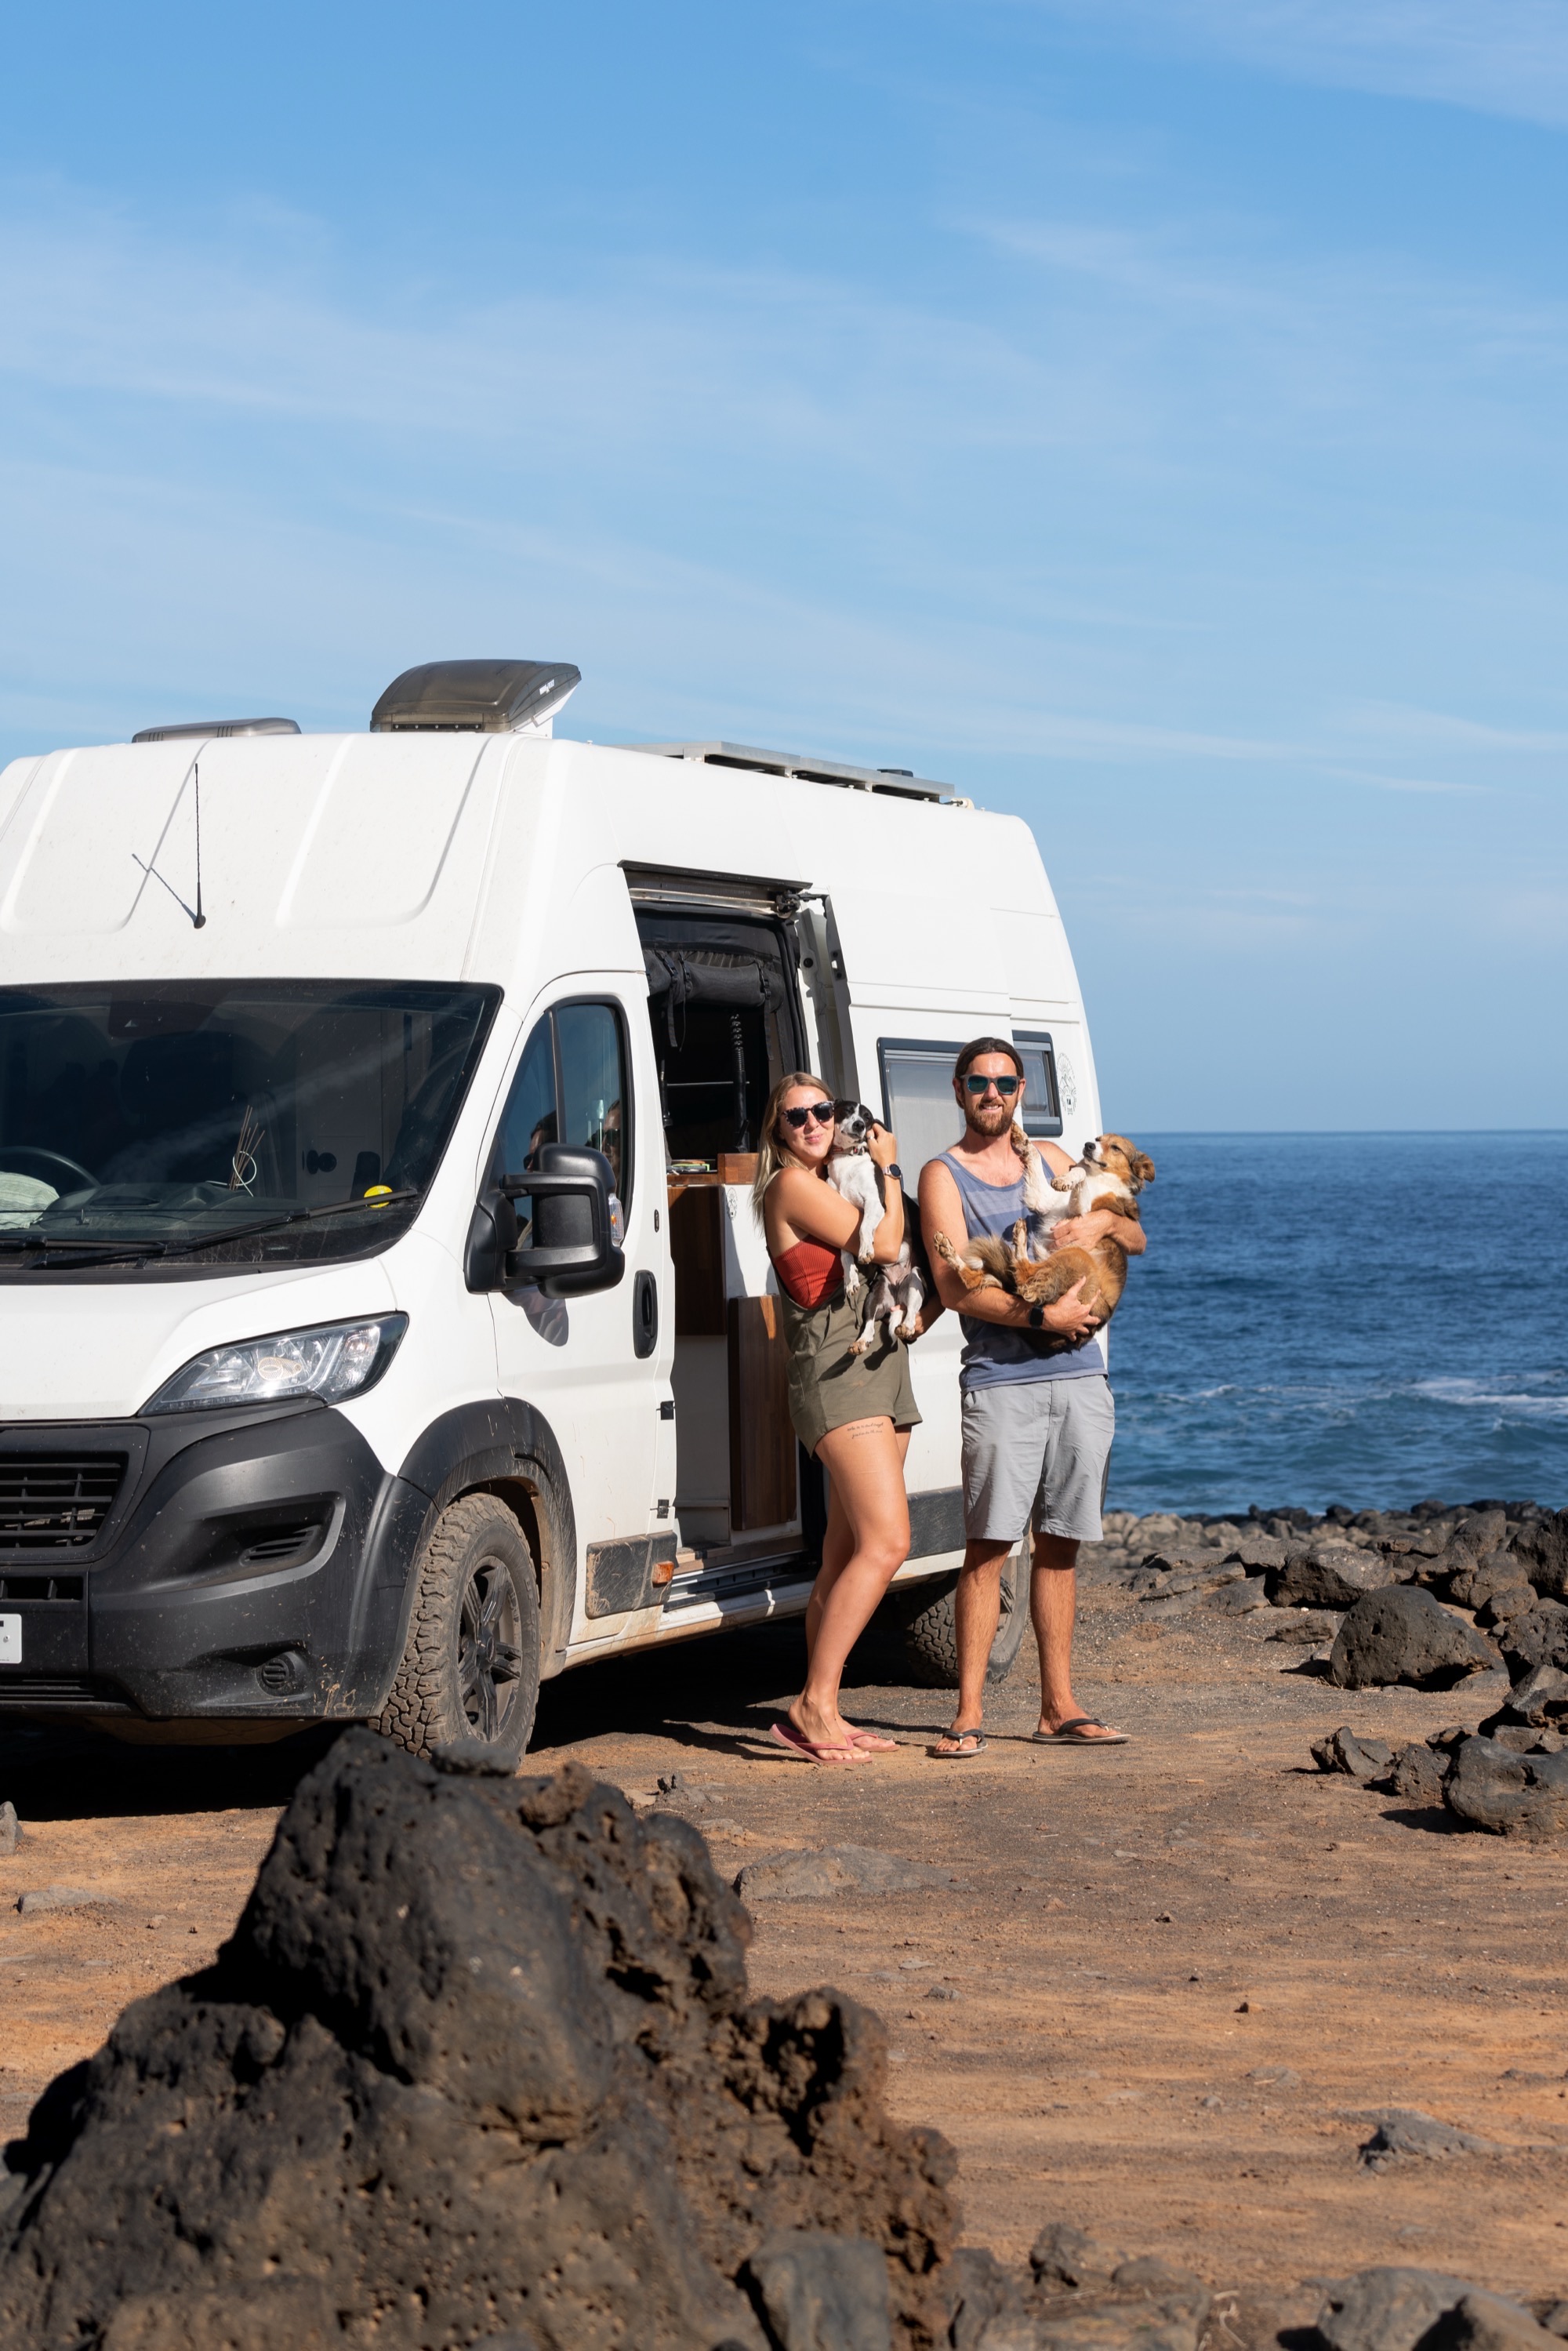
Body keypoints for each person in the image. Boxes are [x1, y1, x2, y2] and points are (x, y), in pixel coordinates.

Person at [919, 1038, 1147, 1756]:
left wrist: (1106, 1223)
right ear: (959, 1091)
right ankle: (968, 1715)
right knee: (988, 1548)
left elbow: (1136, 1233)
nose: (993, 1093)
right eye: (980, 1082)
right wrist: (1039, 1317)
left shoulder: (1048, 1160)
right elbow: (957, 1286)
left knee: (1061, 1545)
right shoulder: (941, 1176)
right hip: (1002, 1381)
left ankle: (1059, 1707)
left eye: (1006, 1082)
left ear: (1021, 1091)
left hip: (1081, 1381)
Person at [755, 1072, 919, 1764]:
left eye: (823, 1111)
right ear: (777, 1131)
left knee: (848, 1551)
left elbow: (893, 1240)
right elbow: (884, 1245)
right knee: (888, 1543)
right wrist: (891, 1167)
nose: (813, 1124)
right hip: (834, 1373)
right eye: (796, 1117)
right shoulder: (790, 1186)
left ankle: (825, 1703)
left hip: (879, 1363)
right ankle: (811, 1705)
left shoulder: (832, 1178)